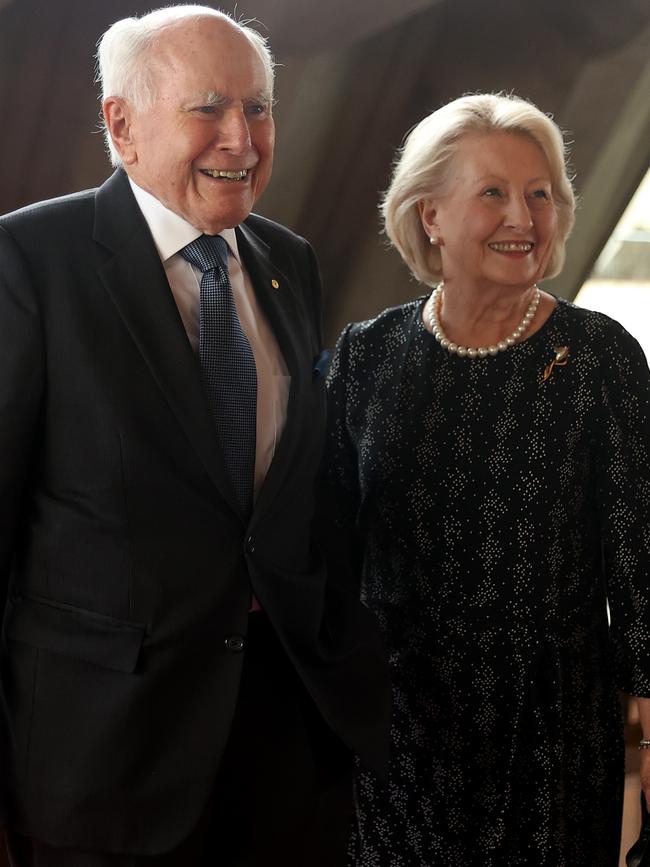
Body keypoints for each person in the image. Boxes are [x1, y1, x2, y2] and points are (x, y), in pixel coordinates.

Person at [0, 6, 390, 866]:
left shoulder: (291, 262)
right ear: (121, 124)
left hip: (286, 743)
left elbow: (302, 494)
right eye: (208, 107)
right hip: (104, 760)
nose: (241, 138)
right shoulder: (29, 261)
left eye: (258, 108)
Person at [322, 92, 650, 866]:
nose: (523, 218)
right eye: (494, 192)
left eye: (540, 193)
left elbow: (641, 565)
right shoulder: (367, 354)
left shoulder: (601, 358)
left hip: (549, 732)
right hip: (398, 734)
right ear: (429, 215)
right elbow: (330, 545)